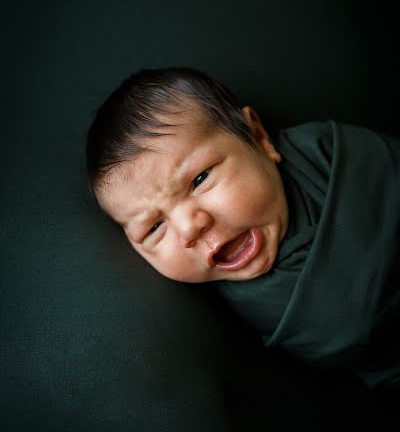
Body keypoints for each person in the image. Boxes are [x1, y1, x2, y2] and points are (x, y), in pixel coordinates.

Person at [86, 67, 400, 393]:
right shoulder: (219, 317)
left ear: (259, 137)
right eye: (153, 227)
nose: (189, 227)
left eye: (199, 179)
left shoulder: (325, 155)